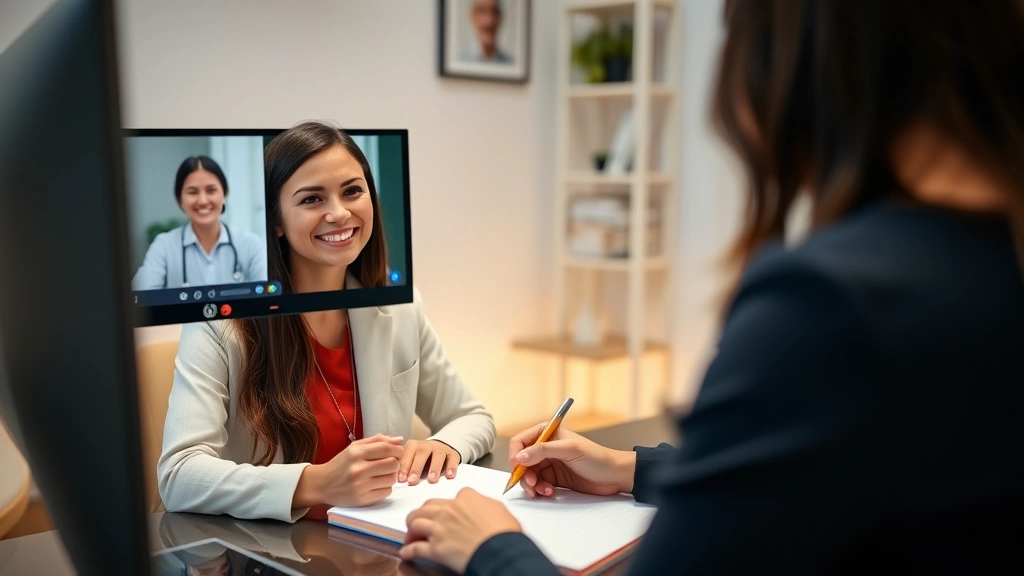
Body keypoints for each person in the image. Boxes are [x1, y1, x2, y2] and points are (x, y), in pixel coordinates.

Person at [398, 0, 1024, 573]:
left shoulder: (833, 305)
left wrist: (493, 550)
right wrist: (630, 468)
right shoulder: (982, 264)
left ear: (796, 51)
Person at [158, 121, 496, 522]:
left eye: (352, 191)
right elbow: (179, 474)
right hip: (270, 551)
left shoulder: (401, 307)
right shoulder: (220, 324)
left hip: (378, 541)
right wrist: (316, 484)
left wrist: (445, 446)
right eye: (312, 199)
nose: (339, 213)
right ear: (277, 221)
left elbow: (474, 417)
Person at [132, 155, 267, 290]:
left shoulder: (251, 245)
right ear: (180, 200)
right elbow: (137, 297)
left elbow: (268, 298)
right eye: (192, 192)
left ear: (224, 194)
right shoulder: (164, 247)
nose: (202, 200)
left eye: (211, 190)